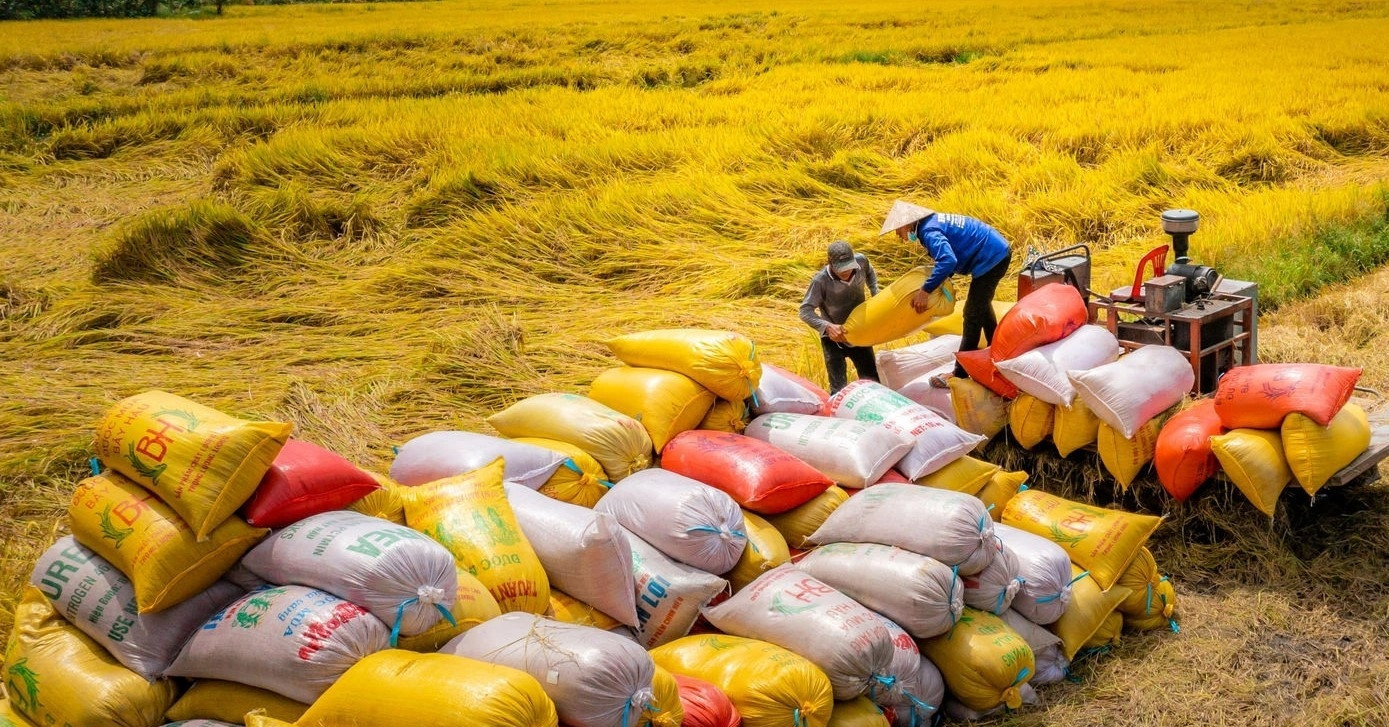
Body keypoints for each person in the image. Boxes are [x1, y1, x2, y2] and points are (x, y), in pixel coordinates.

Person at [879, 200, 1012, 388]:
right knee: (981, 306)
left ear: (906, 223)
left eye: (897, 230)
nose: (899, 236)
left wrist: (925, 291)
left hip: (992, 257)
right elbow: (949, 258)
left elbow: (948, 260)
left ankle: (959, 373)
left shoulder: (928, 231)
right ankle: (998, 351)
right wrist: (941, 281)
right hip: (995, 250)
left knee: (972, 315)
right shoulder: (932, 223)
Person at [799, 240, 880, 394]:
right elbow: (805, 311)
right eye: (841, 269)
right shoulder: (820, 281)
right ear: (830, 263)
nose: (846, 272)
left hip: (859, 331)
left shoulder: (862, 261)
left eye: (849, 267)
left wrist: (875, 291)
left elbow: (870, 272)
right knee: (838, 388)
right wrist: (827, 326)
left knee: (872, 380)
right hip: (833, 338)